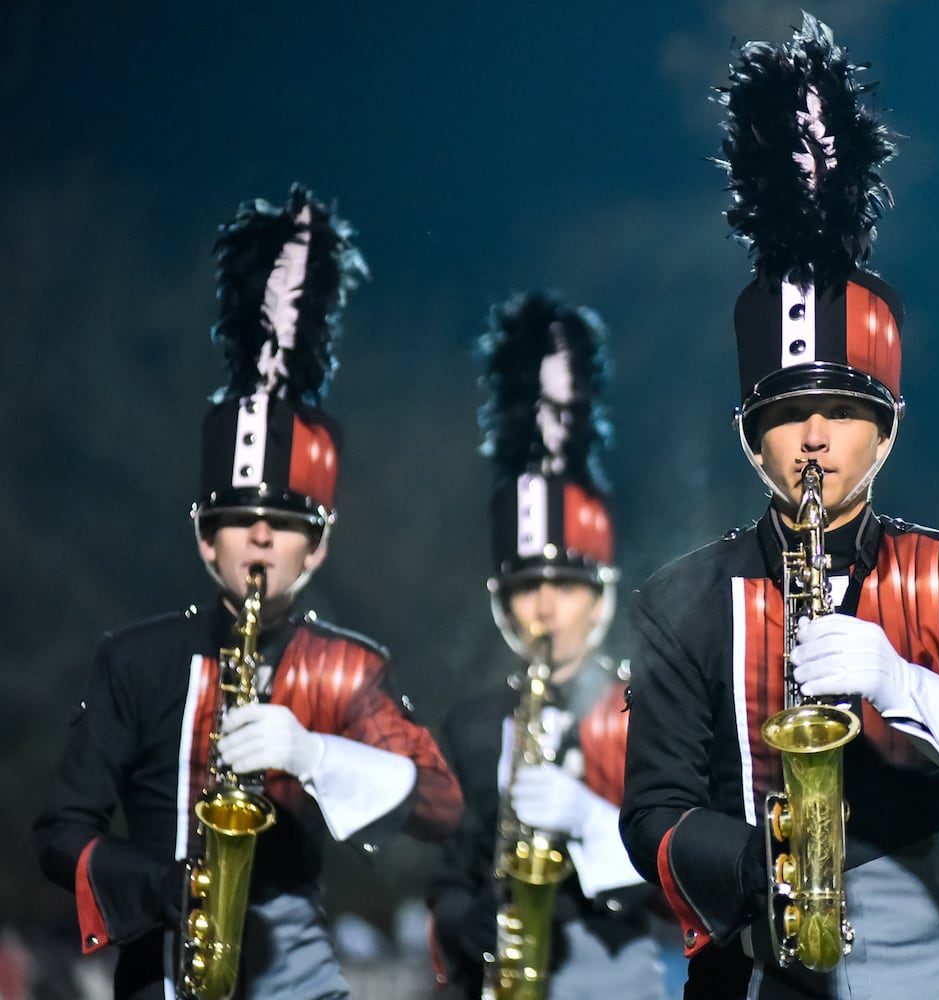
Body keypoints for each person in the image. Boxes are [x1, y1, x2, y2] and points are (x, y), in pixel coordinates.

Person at [616, 15, 939, 1000]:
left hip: (920, 974)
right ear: (750, 436)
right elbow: (650, 810)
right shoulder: (679, 601)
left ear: (889, 428)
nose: (814, 439)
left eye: (843, 411)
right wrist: (768, 869)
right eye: (787, 416)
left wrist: (904, 683)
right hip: (749, 965)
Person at [31, 184, 464, 1000]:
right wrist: (164, 887)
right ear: (204, 537)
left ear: (319, 544)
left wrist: (315, 754)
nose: (261, 536)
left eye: (284, 521)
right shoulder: (136, 661)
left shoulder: (346, 667)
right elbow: (59, 832)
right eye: (238, 518)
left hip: (294, 973)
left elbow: (443, 805)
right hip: (159, 963)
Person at [427, 291, 667, 999]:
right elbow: (447, 879)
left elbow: (685, 881)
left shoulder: (648, 714)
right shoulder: (472, 726)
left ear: (605, 595)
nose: (544, 608)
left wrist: (591, 821)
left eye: (566, 586)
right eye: (525, 588)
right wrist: (469, 924)